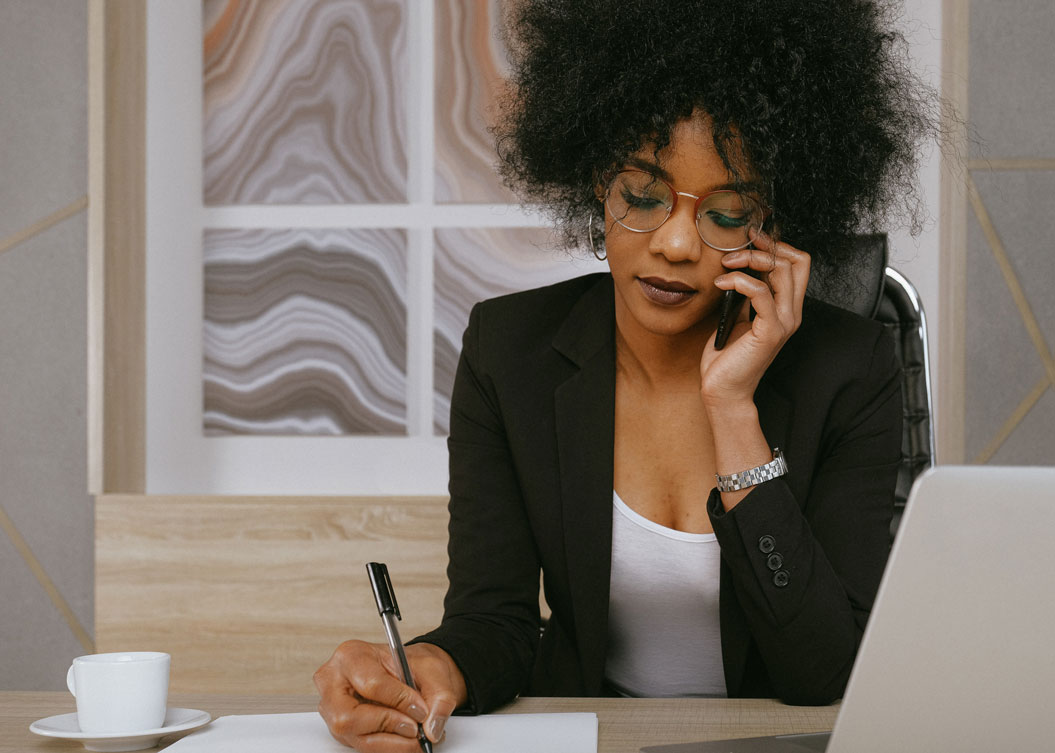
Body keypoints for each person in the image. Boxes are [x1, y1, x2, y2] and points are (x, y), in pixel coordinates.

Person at [314, 0, 940, 749]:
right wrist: (428, 664)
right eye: (642, 196)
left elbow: (823, 670)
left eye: (725, 213)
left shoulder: (851, 368)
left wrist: (732, 408)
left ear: (772, 224)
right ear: (596, 184)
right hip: (594, 735)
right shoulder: (510, 353)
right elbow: (493, 621)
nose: (675, 243)